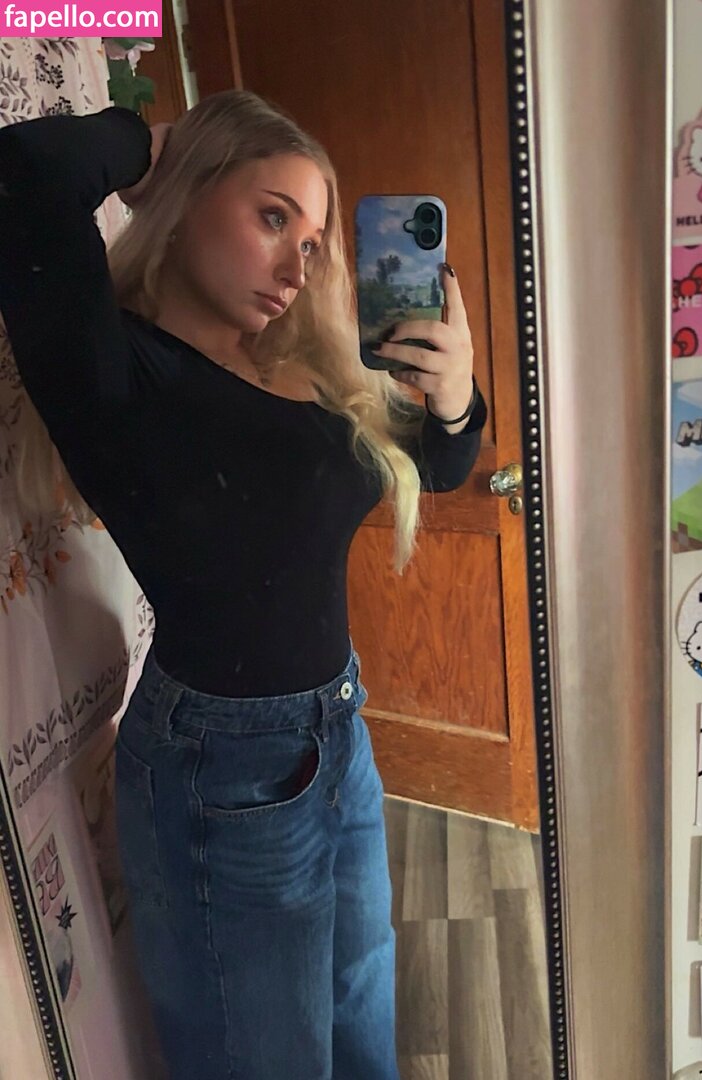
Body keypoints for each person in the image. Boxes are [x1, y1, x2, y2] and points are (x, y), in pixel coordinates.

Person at [0, 90, 487, 1080]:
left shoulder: (302, 365)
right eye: (272, 217)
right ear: (187, 196)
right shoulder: (117, 371)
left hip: (337, 737)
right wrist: (156, 143)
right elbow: (24, 175)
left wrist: (455, 398)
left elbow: (438, 467)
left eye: (311, 240)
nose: (297, 266)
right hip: (221, 771)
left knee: (362, 1029)